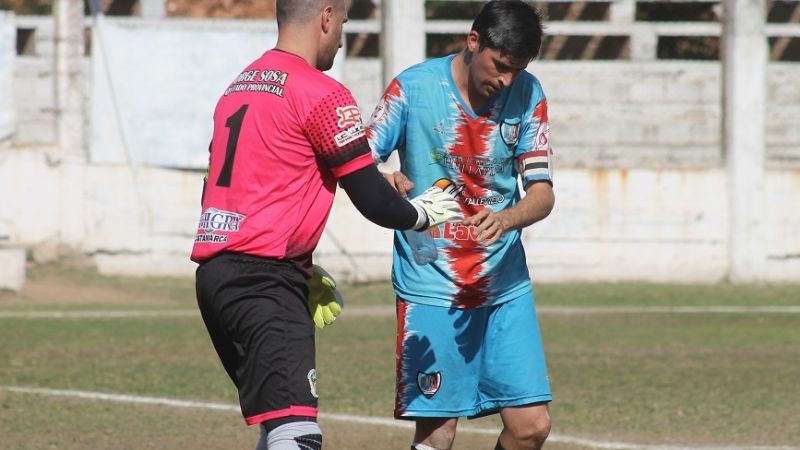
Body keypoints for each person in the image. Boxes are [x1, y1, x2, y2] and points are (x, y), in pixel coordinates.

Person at [189, 1, 462, 449]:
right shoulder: (321, 92)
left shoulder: (239, 87)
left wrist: (296, 262)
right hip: (263, 281)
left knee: (280, 424)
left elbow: (228, 188)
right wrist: (422, 212)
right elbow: (373, 200)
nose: (342, 37)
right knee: (298, 436)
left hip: (220, 277)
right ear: (326, 17)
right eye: (345, 25)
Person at [367, 1, 555, 449]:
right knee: (439, 433)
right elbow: (356, 162)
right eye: (501, 66)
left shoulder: (529, 94)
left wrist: (508, 218)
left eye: (517, 69)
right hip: (433, 285)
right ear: (474, 41)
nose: (506, 80)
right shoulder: (412, 89)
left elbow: (543, 193)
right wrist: (384, 179)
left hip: (503, 285)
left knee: (531, 428)